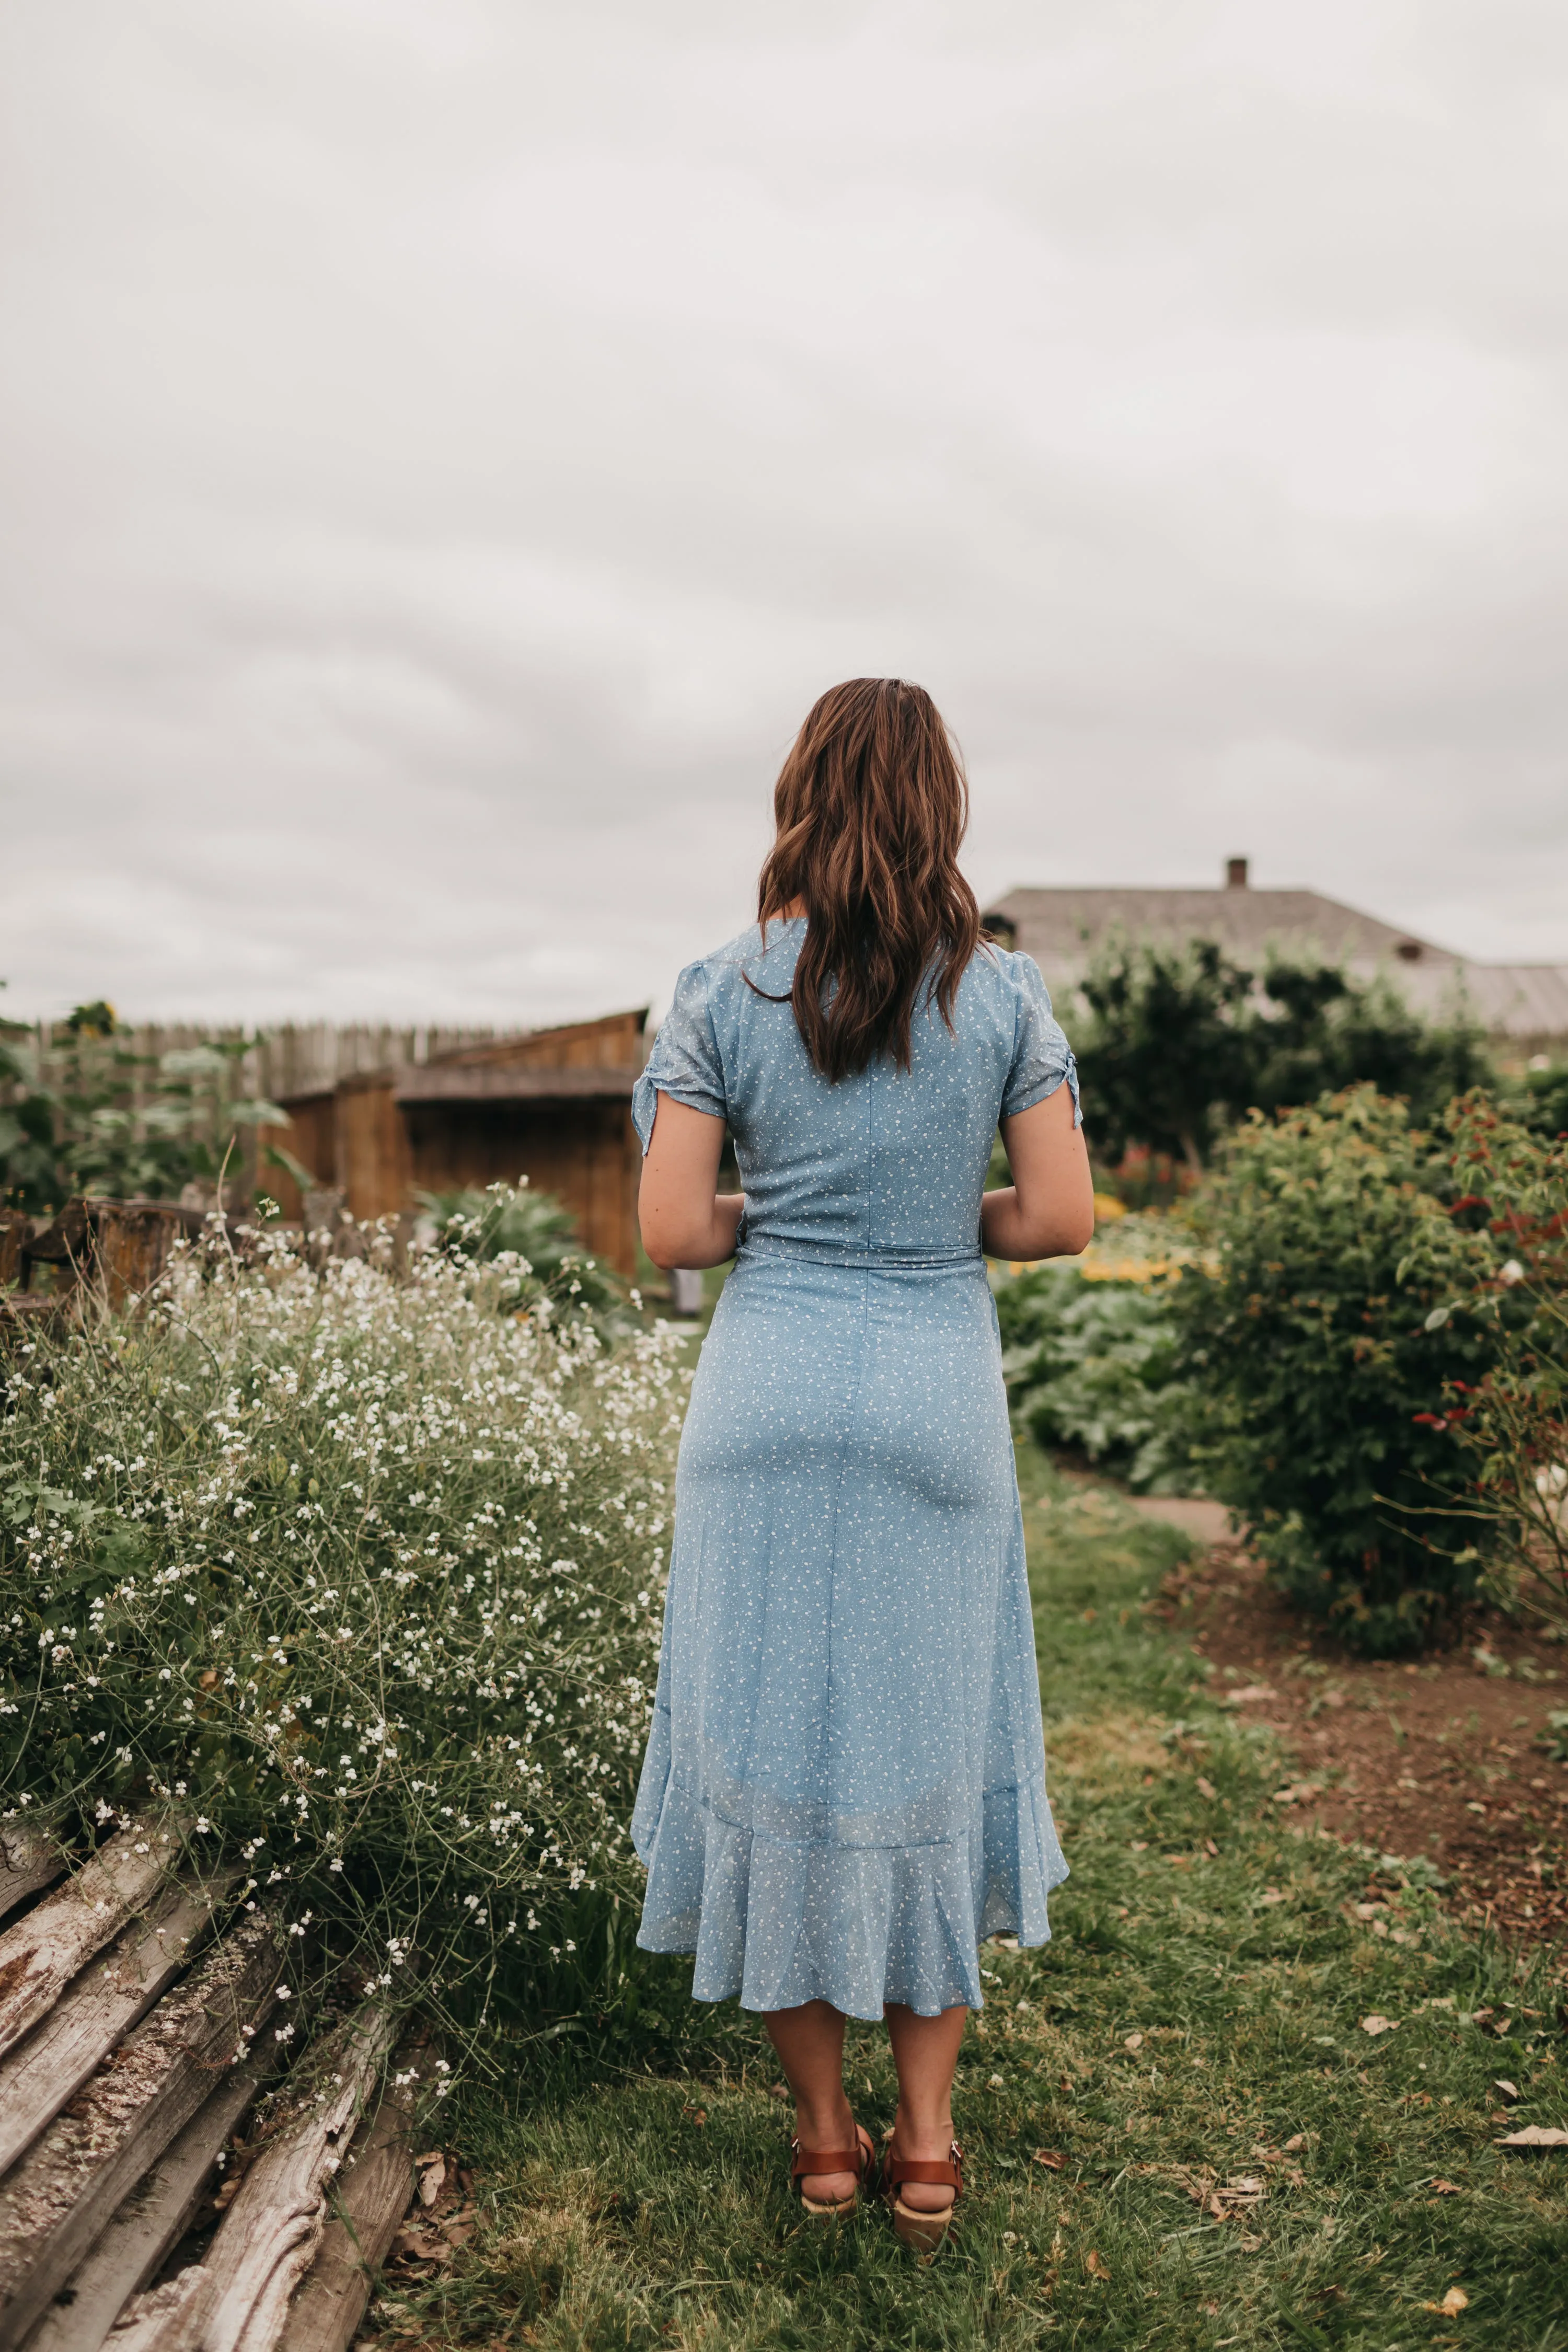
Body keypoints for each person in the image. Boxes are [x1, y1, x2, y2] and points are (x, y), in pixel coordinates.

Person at [630, 678, 1093, 2251]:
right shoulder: (1010, 999)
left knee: (771, 1745)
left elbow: (679, 1230)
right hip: (933, 1406)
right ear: (939, 807)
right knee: (928, 1755)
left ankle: (827, 2141)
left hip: (764, 1402)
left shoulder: (715, 989)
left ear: (801, 792)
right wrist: (926, 1226)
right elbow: (1060, 1219)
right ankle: (935, 2142)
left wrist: (796, 1222)